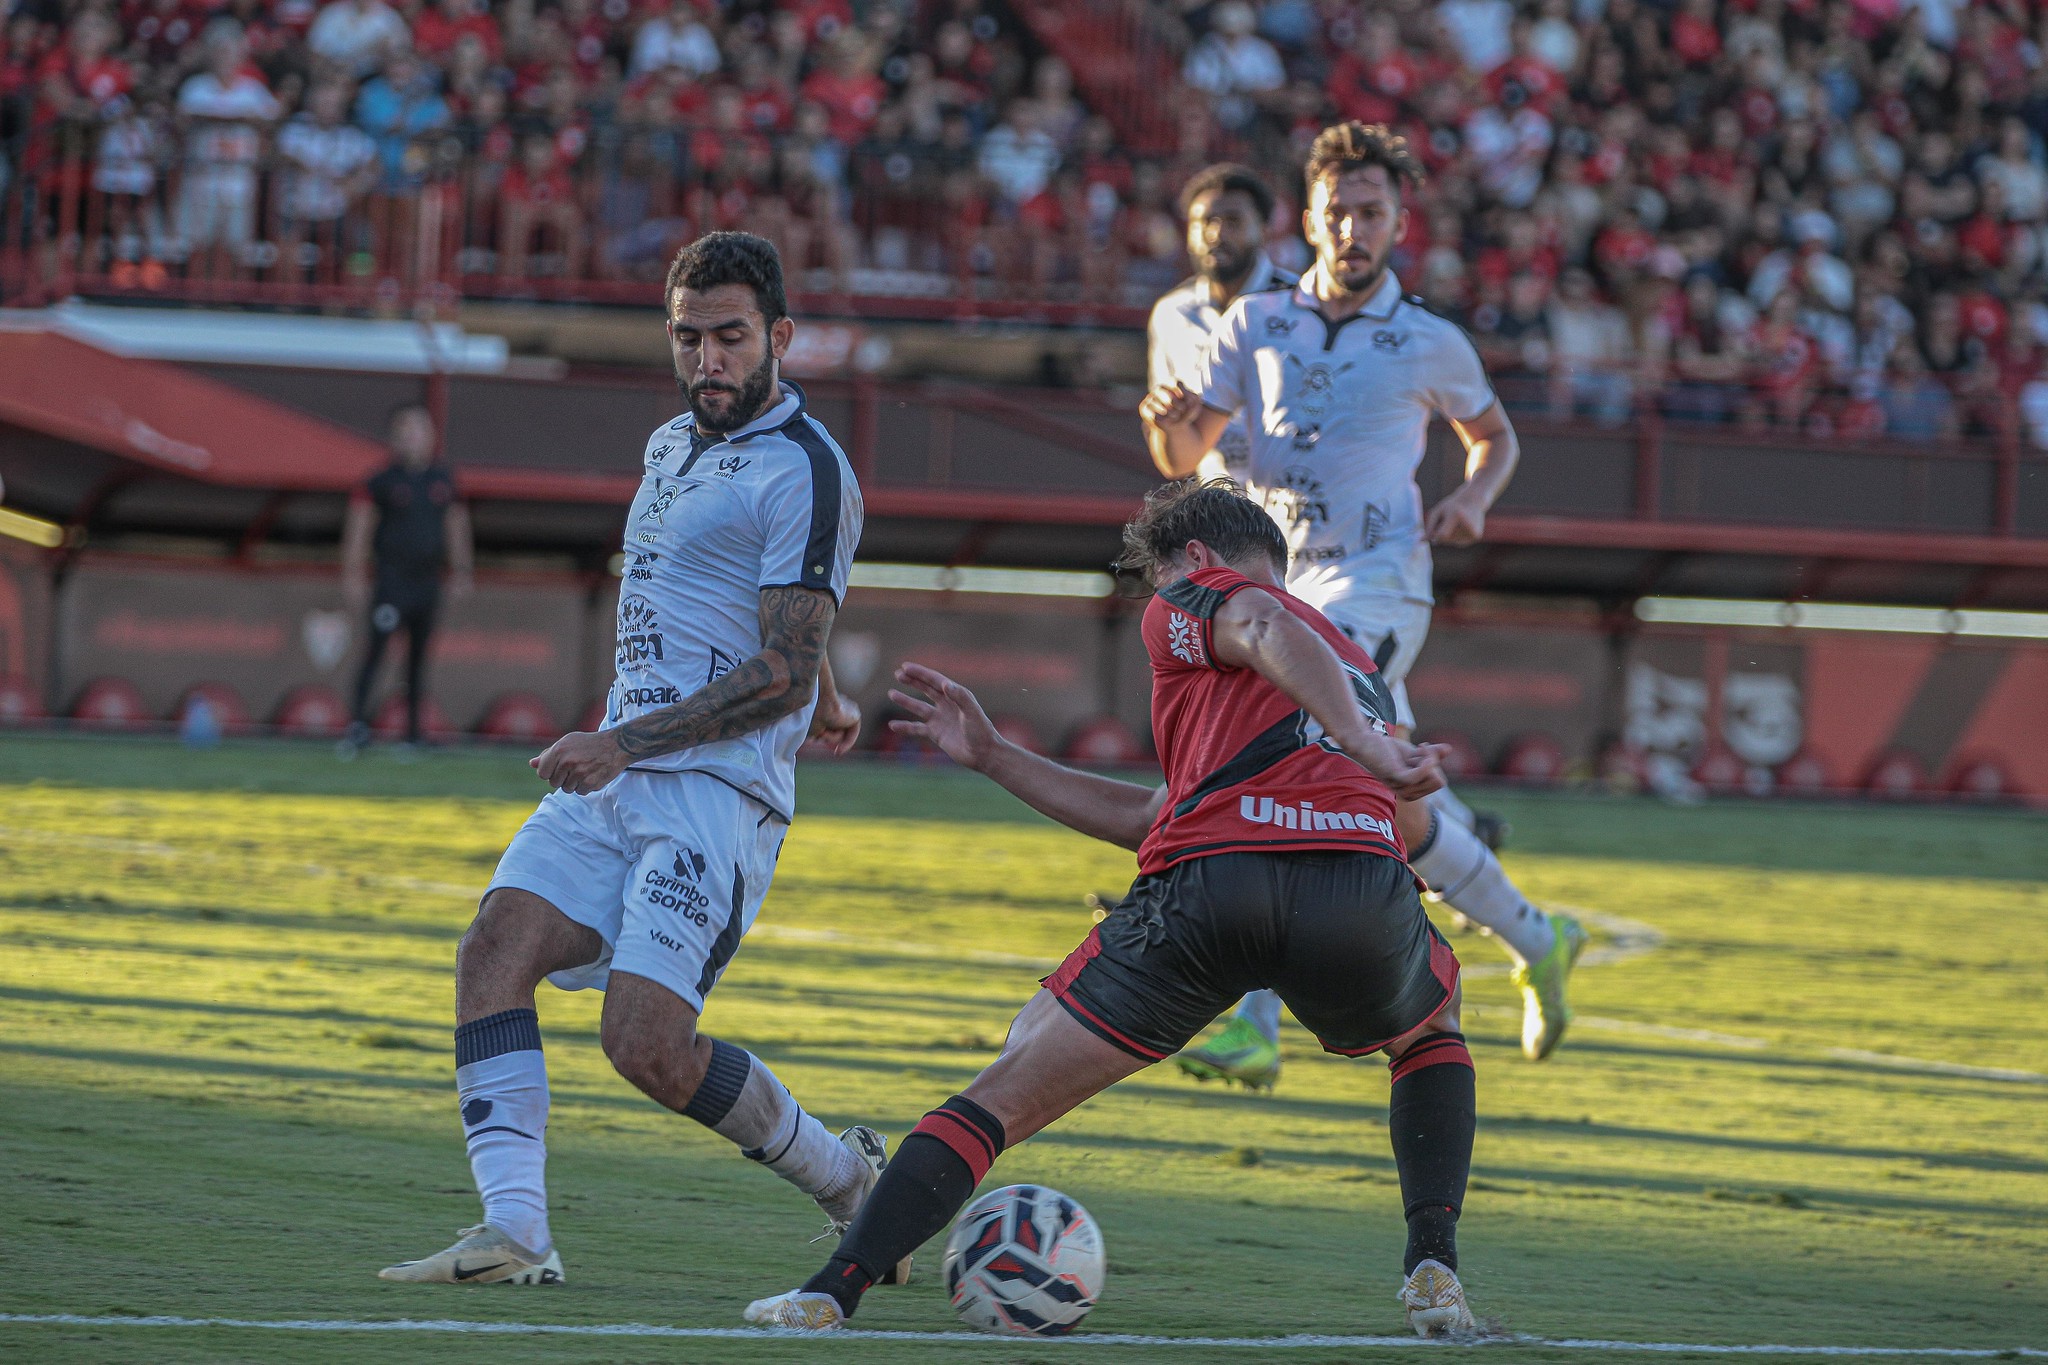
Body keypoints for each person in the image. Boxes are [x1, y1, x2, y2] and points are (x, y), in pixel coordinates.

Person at [743, 481, 1481, 1337]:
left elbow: (1262, 626)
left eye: (1161, 578)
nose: (1159, 601)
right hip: (1355, 895)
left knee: (1006, 1088)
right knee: (1431, 1029)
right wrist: (990, 753)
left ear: (1197, 561)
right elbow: (1162, 816)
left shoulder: (1201, 603)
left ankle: (829, 1293)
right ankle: (1433, 1269)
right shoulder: (1354, 667)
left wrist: (1355, 743)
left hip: (1210, 892)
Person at [377, 232, 893, 1288]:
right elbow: (768, 624)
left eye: (730, 337)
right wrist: (830, 691)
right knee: (492, 949)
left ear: (778, 339)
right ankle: (514, 1232)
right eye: (688, 337)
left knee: (646, 1046)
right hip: (621, 776)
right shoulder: (669, 446)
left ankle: (847, 1181)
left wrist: (624, 741)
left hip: (713, 793)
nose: (707, 358)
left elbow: (781, 669)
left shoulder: (810, 468)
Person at [1143, 122, 1588, 1067]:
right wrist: (1170, 436)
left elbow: (1495, 435)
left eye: (1372, 212)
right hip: (1277, 580)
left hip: (1375, 584)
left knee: (1282, 744)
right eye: (1337, 211)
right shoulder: (1254, 323)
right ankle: (1538, 939)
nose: (1353, 228)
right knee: (1398, 799)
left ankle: (1252, 1024)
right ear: (1308, 218)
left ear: (1399, 222)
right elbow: (1188, 459)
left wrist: (1472, 498)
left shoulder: (1429, 340)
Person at [1144, 163, 1297, 489]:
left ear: (1265, 230)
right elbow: (1176, 461)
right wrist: (1169, 422)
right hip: (1221, 513)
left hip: (1297, 510)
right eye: (1205, 221)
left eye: (1233, 221)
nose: (1216, 234)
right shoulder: (1171, 314)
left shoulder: (1303, 305)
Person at [340, 403, 472, 752]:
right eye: (407, 429)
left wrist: (461, 569)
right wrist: (353, 572)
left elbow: (456, 524)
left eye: (421, 429)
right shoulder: (381, 481)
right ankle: (357, 728)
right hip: (391, 581)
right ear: (395, 436)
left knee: (418, 659)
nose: (414, 437)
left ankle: (413, 735)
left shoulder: (442, 480)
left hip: (427, 582)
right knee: (377, 651)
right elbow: (360, 525)